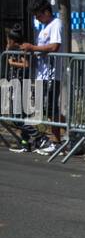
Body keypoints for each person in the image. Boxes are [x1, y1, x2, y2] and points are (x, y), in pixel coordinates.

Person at [27, 0, 65, 153]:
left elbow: (55, 46)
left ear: (46, 12)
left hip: (52, 73)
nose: (37, 18)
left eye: (38, 15)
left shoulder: (56, 24)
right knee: (43, 108)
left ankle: (58, 140)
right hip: (42, 73)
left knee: (51, 107)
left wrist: (33, 47)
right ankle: (52, 137)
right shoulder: (44, 27)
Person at [3, 24, 41, 152]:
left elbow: (26, 64)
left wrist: (12, 62)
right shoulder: (12, 49)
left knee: (17, 118)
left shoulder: (21, 49)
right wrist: (8, 48)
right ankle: (25, 142)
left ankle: (39, 137)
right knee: (22, 116)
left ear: (13, 40)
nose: (7, 42)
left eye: (8, 40)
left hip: (21, 84)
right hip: (15, 84)